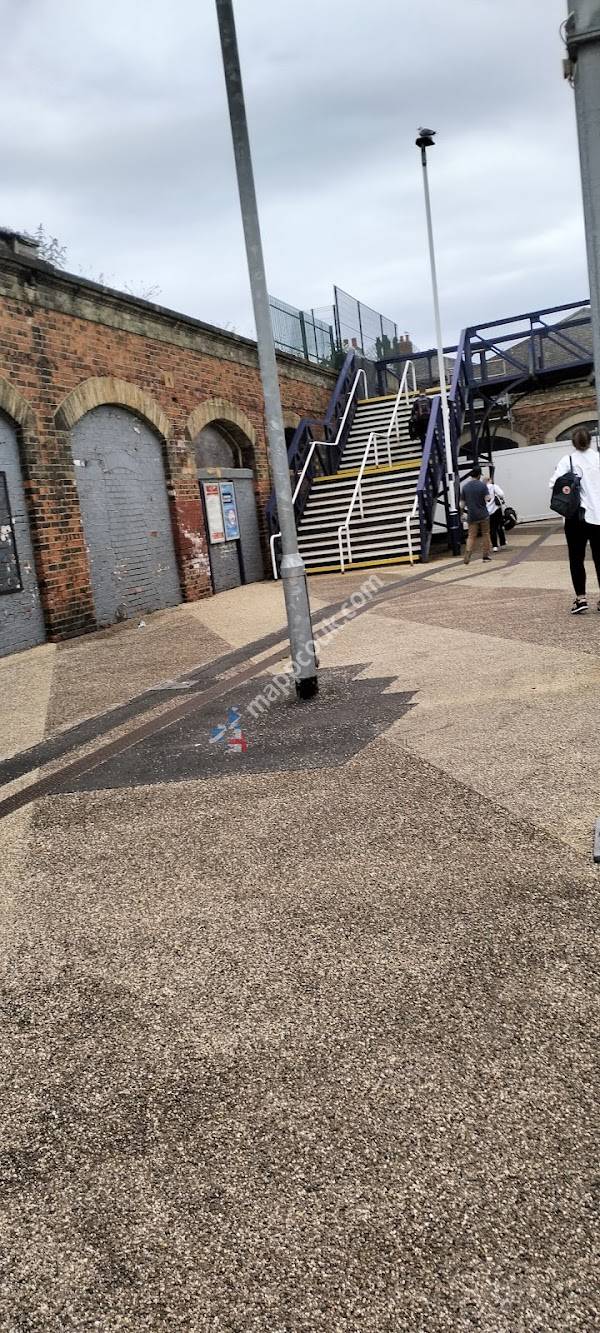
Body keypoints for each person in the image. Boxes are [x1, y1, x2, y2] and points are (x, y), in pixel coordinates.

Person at [549, 426, 600, 614]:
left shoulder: (567, 460)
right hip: (598, 517)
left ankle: (581, 599)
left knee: (576, 558)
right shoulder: (598, 458)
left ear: (573, 443)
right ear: (591, 440)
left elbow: (552, 484)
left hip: (576, 517)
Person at [460, 465, 492, 564]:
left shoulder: (465, 487)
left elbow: (461, 504)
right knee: (485, 534)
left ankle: (468, 554)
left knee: (471, 536)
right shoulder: (482, 485)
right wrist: (486, 485)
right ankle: (485, 556)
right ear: (479, 475)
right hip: (483, 514)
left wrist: (462, 514)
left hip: (471, 515)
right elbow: (488, 499)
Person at [486, 471, 507, 550]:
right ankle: (502, 542)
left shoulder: (482, 488)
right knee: (499, 526)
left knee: (492, 529)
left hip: (487, 511)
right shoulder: (494, 486)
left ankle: (495, 546)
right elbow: (501, 494)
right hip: (496, 509)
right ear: (490, 480)